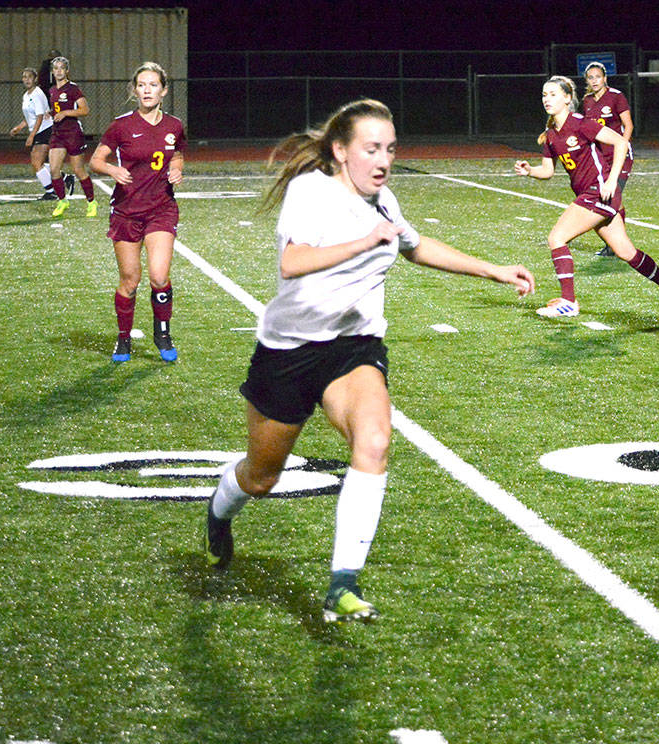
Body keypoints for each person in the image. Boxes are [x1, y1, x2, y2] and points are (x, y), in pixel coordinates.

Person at [204, 99, 536, 623]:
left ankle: (343, 582)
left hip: (353, 347)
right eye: (371, 149)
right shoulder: (311, 192)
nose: (383, 160)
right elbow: (293, 263)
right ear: (340, 152)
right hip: (289, 351)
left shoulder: (384, 202)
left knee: (375, 440)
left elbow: (416, 247)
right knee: (261, 477)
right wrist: (363, 241)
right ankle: (219, 512)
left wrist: (493, 270)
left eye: (390, 149)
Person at [514, 75, 659, 321]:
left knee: (557, 237)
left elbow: (620, 143)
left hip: (599, 192)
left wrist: (613, 180)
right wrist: (530, 171)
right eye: (544, 94)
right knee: (626, 252)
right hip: (591, 195)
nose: (546, 99)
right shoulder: (551, 134)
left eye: (552, 94)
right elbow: (548, 172)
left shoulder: (581, 123)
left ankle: (568, 302)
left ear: (567, 98)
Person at [88, 62, 186, 364]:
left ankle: (163, 332)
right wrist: (111, 169)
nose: (147, 90)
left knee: (159, 276)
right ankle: (124, 338)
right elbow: (95, 160)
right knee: (130, 281)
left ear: (164, 90)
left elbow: (178, 153)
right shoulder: (121, 125)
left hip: (161, 210)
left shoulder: (174, 125)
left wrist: (177, 168)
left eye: (153, 85)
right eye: (142, 85)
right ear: (135, 90)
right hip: (127, 212)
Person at [580, 61, 632, 258]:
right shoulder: (587, 101)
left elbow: (628, 125)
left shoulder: (616, 97)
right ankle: (615, 244)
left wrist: (623, 146)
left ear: (605, 78)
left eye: (597, 77)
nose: (594, 81)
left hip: (620, 157)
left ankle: (616, 246)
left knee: (610, 198)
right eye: (590, 77)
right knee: (610, 200)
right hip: (601, 158)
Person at [47, 56, 96, 218]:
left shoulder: (73, 89)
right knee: (54, 169)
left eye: (62, 68)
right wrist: (51, 113)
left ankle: (91, 202)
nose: (59, 71)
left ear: (67, 71)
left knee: (78, 169)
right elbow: (56, 108)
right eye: (56, 68)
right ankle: (62, 201)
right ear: (53, 72)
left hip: (73, 133)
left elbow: (85, 110)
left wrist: (66, 113)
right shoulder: (52, 90)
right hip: (57, 133)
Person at [9, 67, 57, 199]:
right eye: (24, 77)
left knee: (36, 162)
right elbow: (29, 116)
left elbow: (40, 116)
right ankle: (63, 178)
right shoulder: (26, 95)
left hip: (45, 130)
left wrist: (31, 136)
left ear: (35, 79)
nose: (26, 80)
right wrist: (19, 127)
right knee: (41, 163)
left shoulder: (37, 93)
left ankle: (51, 192)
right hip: (39, 130)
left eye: (29, 77)